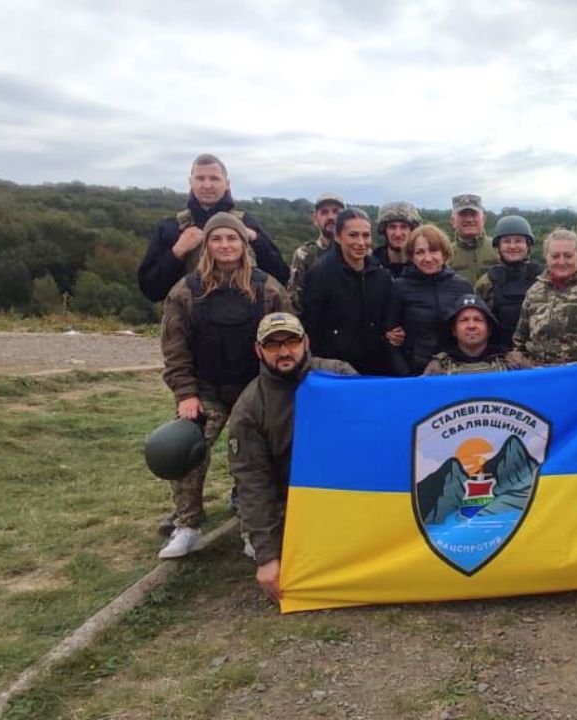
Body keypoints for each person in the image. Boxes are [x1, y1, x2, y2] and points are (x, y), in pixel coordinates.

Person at [157, 212, 291, 559]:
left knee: (254, 456)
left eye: (232, 238)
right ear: (207, 245)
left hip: (255, 388)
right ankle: (187, 525)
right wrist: (185, 394)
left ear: (243, 244)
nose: (225, 245)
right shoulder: (186, 291)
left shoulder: (268, 288)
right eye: (217, 239)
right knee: (184, 449)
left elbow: (288, 340)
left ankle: (253, 526)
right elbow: (174, 346)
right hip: (206, 388)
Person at [229, 312, 357, 600]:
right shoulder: (249, 407)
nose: (284, 352)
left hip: (347, 494)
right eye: (273, 345)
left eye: (291, 342)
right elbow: (252, 483)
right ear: (258, 350)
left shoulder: (340, 375)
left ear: (306, 342)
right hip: (291, 503)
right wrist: (267, 558)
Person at [138, 153, 288, 302]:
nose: (207, 185)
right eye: (200, 178)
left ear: (227, 183)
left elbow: (282, 278)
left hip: (245, 318)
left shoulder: (246, 223)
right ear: (191, 182)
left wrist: (256, 240)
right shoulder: (171, 228)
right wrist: (177, 252)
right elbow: (151, 291)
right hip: (190, 321)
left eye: (214, 178)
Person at [300, 207, 405, 376]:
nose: (361, 242)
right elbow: (313, 329)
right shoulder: (320, 275)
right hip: (337, 373)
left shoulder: (381, 275)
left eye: (366, 235)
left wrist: (393, 334)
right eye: (353, 235)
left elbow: (388, 323)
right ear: (338, 237)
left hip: (376, 371)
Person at [511, 229, 577, 366]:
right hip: (537, 376)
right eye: (555, 256)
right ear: (546, 257)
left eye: (568, 256)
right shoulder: (534, 291)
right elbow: (519, 341)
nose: (561, 262)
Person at [395, 224, 475, 374]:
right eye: (420, 252)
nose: (428, 258)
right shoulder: (399, 287)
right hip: (414, 373)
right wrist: (405, 376)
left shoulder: (462, 286)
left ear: (444, 253)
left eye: (433, 251)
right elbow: (391, 340)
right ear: (411, 256)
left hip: (456, 370)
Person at [474, 215, 543, 350]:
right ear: (498, 247)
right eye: (506, 241)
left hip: (538, 354)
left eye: (518, 241)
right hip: (498, 354)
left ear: (528, 245)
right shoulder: (486, 282)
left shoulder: (543, 278)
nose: (512, 246)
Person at [422, 295, 516, 375]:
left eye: (478, 320)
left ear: (489, 329)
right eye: (464, 320)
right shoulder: (438, 369)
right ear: (454, 330)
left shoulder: (511, 363)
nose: (471, 326)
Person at [286, 193, 346, 308]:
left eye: (336, 212)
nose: (331, 217)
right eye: (324, 212)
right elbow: (294, 299)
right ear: (315, 219)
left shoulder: (357, 251)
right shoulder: (304, 254)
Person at [448, 193, 499, 284]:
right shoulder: (445, 254)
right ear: (453, 222)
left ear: (483, 219)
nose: (469, 220)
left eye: (473, 214)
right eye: (463, 214)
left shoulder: (498, 248)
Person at [372, 201, 422, 279]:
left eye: (404, 227)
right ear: (384, 230)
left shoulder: (423, 266)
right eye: (392, 227)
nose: (398, 234)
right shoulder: (371, 267)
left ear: (412, 230)